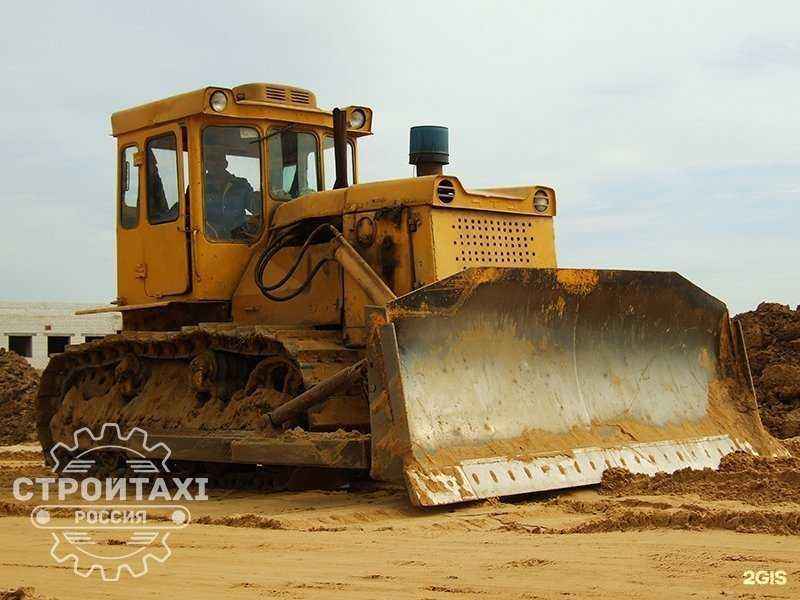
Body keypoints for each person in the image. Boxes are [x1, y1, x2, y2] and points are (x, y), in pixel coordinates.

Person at [204, 146, 256, 240]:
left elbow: (256, 207)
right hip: (207, 241)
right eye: (212, 159)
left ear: (225, 163)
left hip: (239, 241)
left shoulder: (241, 185)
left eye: (219, 159)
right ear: (206, 164)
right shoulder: (197, 187)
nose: (216, 163)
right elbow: (183, 212)